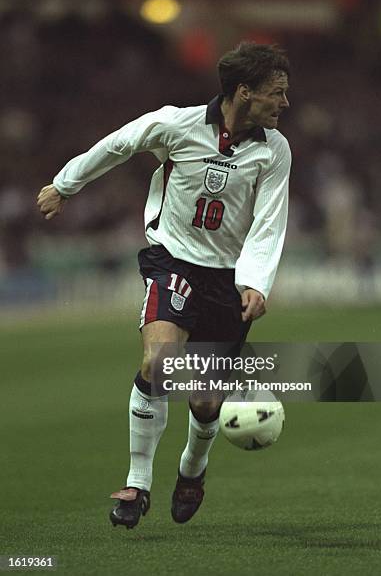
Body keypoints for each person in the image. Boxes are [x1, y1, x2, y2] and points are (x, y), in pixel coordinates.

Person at [37, 42, 291, 528]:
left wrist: (256, 282)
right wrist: (65, 184)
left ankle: (192, 469)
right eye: (276, 94)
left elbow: (269, 221)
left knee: (204, 399)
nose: (284, 103)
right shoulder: (177, 124)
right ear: (244, 92)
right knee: (157, 364)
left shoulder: (274, 149)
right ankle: (137, 484)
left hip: (227, 279)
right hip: (172, 259)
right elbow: (118, 144)